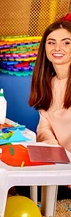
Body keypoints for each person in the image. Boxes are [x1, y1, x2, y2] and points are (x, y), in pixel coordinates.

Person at [29, 16, 71, 152]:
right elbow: (44, 127)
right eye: (51, 42)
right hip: (62, 163)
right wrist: (50, 142)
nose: (57, 48)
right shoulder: (48, 83)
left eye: (66, 43)